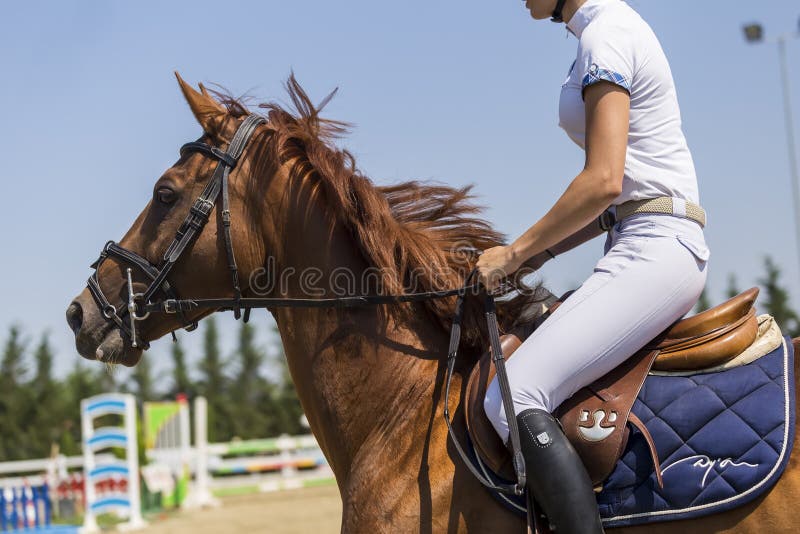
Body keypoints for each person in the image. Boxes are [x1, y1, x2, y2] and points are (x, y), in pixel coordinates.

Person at [477, 0, 709, 532]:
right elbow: (615, 199)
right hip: (638, 239)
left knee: (512, 395)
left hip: (656, 248)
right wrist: (535, 255)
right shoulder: (601, 32)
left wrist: (513, 254)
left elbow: (603, 179)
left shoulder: (606, 37)